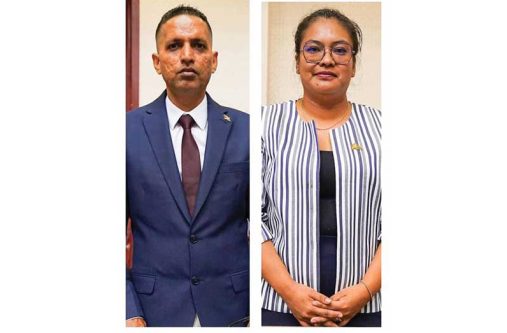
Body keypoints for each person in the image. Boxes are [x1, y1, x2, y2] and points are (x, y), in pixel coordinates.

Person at [126, 5, 249, 327]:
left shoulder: (248, 130)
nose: (187, 55)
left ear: (214, 59)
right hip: (152, 313)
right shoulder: (125, 132)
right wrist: (129, 311)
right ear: (156, 62)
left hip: (234, 311)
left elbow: (268, 224)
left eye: (198, 45)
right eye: (173, 46)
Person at [261, 8, 381, 327]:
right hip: (280, 307)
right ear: (297, 60)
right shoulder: (265, 124)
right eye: (313, 49)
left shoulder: (383, 128)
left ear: (353, 64)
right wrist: (290, 292)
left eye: (340, 50)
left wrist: (365, 290)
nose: (326, 60)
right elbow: (249, 218)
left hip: (368, 308)